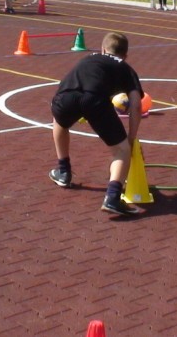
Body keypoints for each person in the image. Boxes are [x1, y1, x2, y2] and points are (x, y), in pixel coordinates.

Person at [49, 32, 144, 216]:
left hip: (65, 96)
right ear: (125, 55)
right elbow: (136, 104)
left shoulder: (89, 57)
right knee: (121, 150)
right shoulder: (126, 68)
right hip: (94, 100)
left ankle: (63, 171)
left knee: (60, 122)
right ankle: (113, 197)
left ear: (102, 49)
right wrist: (131, 139)